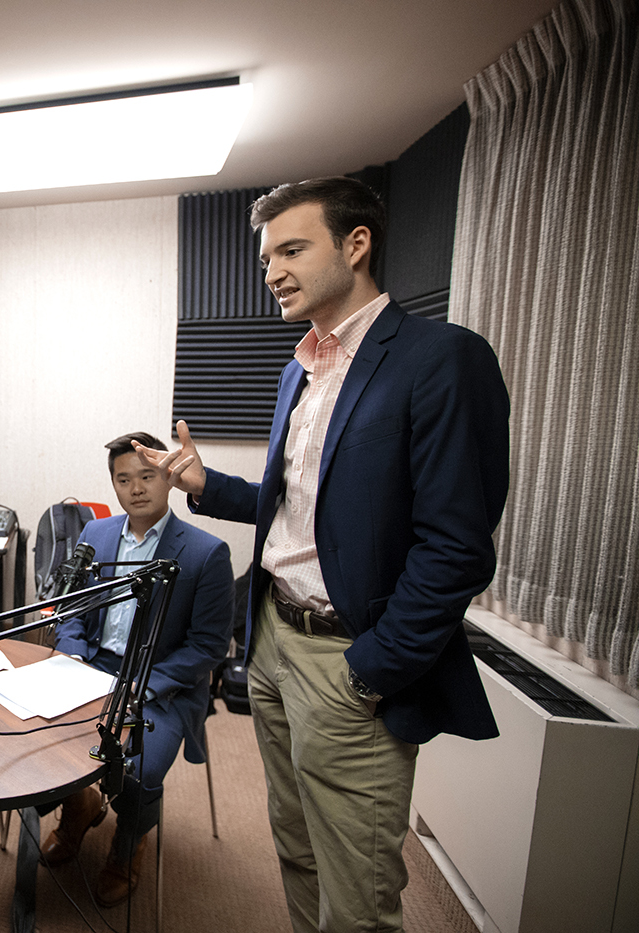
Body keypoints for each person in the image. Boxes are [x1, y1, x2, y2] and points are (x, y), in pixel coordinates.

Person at [137, 177, 510, 933]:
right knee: (298, 849)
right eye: (266, 255)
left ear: (356, 244)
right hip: (272, 644)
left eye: (292, 248)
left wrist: (369, 671)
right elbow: (299, 507)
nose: (271, 270)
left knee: (358, 892)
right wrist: (208, 484)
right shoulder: (297, 369)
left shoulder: (441, 358)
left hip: (349, 661)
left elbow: (457, 547)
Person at [43, 432, 234, 906]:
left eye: (147, 476)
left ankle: (128, 845)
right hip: (92, 670)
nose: (136, 488)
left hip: (160, 682)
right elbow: (72, 612)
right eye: (123, 479)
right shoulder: (96, 535)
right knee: (34, 739)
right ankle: (79, 807)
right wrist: (72, 654)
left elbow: (208, 647)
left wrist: (142, 685)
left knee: (140, 769)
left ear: (168, 476)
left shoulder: (206, 552)